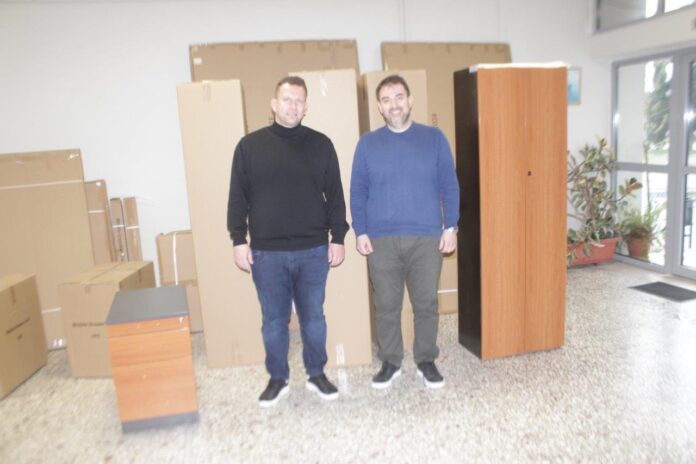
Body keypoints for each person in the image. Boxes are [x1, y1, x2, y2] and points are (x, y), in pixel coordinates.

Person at [227, 75, 349, 407]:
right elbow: (238, 197)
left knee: (314, 319)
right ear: (274, 104)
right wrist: (238, 239)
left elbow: (335, 195)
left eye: (299, 101)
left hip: (313, 250)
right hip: (267, 254)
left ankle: (316, 374)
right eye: (287, 99)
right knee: (274, 321)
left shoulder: (321, 145)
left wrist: (338, 237)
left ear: (306, 107)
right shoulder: (249, 147)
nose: (293, 106)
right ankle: (277, 378)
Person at [350, 74, 460, 390]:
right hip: (381, 240)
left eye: (399, 97)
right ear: (379, 107)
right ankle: (391, 361)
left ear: (410, 101)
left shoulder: (433, 138)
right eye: (386, 100)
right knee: (386, 305)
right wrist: (360, 231)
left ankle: (426, 360)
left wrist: (451, 226)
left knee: (426, 304)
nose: (394, 105)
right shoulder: (367, 144)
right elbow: (358, 189)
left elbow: (449, 184)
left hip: (426, 238)